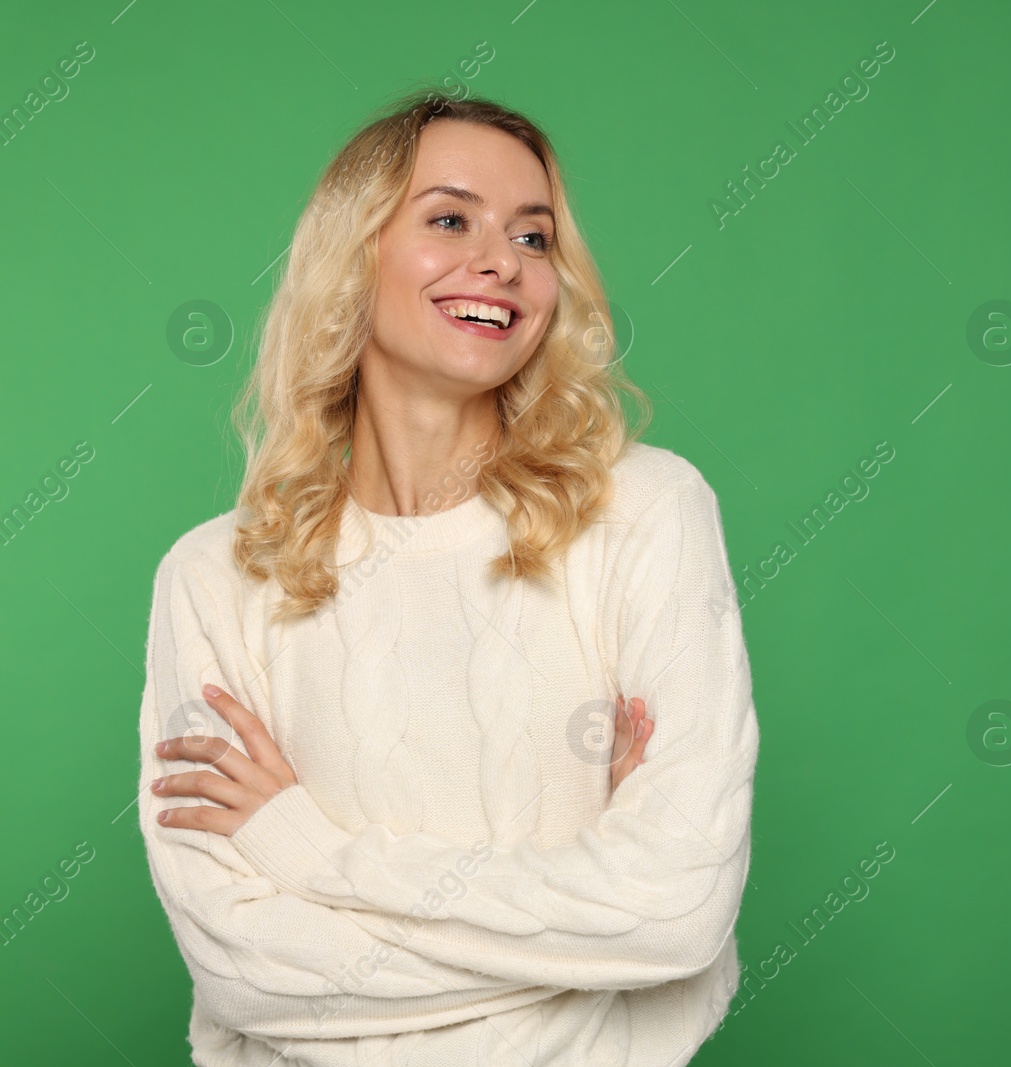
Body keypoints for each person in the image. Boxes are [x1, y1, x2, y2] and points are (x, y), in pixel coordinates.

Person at [135, 89, 759, 1066]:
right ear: (355, 254)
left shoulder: (645, 512)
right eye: (450, 219)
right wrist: (579, 938)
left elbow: (675, 910)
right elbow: (241, 967)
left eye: (535, 236)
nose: (502, 260)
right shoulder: (213, 577)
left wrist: (299, 845)